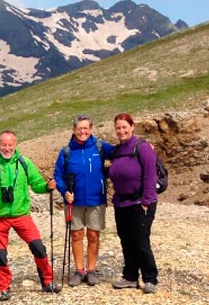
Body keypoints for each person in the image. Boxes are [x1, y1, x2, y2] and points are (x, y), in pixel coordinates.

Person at [0, 130, 58, 301]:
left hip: (22, 215)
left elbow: (36, 184)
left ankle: (47, 281)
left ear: (15, 145)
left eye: (10, 145)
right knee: (0, 254)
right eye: (3, 144)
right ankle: (3, 288)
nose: (7, 148)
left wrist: (47, 187)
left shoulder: (25, 163)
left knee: (38, 248)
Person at [53, 115, 116, 287]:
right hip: (74, 200)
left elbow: (121, 152)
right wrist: (64, 191)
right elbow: (58, 175)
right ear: (74, 130)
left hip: (97, 199)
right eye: (79, 128)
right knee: (76, 234)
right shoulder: (66, 152)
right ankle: (79, 270)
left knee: (94, 234)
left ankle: (91, 270)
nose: (83, 131)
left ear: (91, 129)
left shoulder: (100, 147)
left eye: (86, 128)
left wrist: (142, 147)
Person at [107, 113, 160, 293]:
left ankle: (150, 278)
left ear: (132, 127)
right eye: (118, 128)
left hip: (140, 202)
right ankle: (130, 276)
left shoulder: (143, 148)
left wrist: (145, 201)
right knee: (126, 240)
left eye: (124, 127)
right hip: (121, 203)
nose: (121, 131)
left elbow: (150, 176)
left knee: (140, 240)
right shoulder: (117, 150)